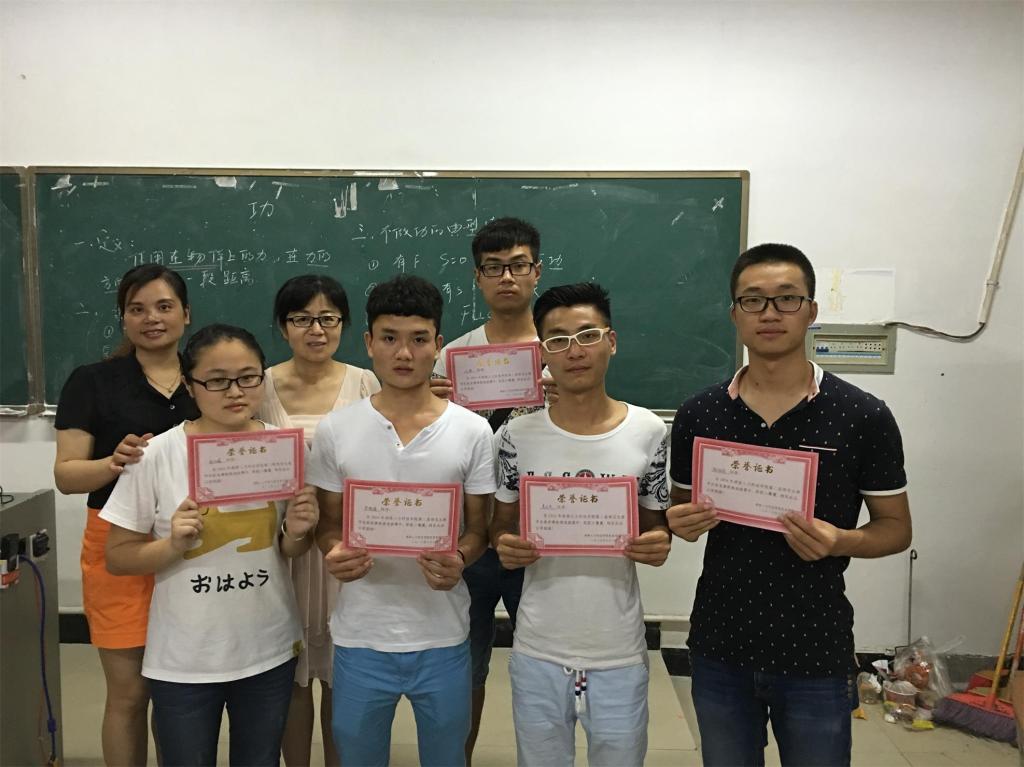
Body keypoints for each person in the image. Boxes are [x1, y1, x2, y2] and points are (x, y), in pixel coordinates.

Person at [666, 243, 912, 767]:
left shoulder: (862, 415)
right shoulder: (700, 413)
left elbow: (895, 529)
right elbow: (681, 508)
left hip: (815, 646)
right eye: (753, 300)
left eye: (787, 298)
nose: (770, 313)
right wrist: (680, 522)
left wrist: (842, 540)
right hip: (720, 642)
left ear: (812, 310)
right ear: (734, 314)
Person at [101, 324, 318, 767]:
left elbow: (287, 549)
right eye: (217, 380)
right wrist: (172, 545)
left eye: (248, 377)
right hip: (185, 657)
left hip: (267, 648)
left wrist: (298, 531)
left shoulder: (282, 449)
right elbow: (118, 556)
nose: (235, 392)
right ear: (189, 384)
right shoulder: (156, 455)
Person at [308, 274, 496, 767]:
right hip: (361, 635)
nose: (404, 353)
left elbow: (480, 529)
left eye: (418, 339)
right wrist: (333, 550)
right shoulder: (336, 429)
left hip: (443, 633)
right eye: (390, 338)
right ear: (369, 342)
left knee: (446, 757)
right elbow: (327, 524)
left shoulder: (472, 430)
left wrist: (460, 557)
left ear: (438, 344)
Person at [490, 282, 672, 767]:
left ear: (611, 341)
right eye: (558, 340)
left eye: (587, 335)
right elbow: (499, 525)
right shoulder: (515, 435)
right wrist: (506, 545)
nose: (574, 352)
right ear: (542, 353)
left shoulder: (649, 431)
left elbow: (656, 526)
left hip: (618, 647)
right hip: (538, 645)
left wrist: (658, 543)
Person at [53, 264, 199, 765]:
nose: (151, 318)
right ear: (124, 319)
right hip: (119, 543)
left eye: (164, 307)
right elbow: (66, 475)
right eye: (137, 309)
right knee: (130, 693)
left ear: (186, 314)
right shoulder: (92, 381)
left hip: (195, 541)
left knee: (179, 692)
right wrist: (112, 462)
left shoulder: (206, 377)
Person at [430, 216, 544, 762]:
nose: (507, 278)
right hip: (470, 535)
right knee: (465, 667)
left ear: (537, 271)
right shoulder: (451, 356)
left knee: (541, 667)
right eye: (494, 268)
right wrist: (433, 406)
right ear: (477, 277)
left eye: (518, 266)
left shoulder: (562, 350)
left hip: (537, 536)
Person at [258, 275, 380, 767]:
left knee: (340, 673)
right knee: (289, 673)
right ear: (282, 326)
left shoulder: (365, 383)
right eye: (302, 319)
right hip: (277, 547)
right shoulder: (259, 384)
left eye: (328, 318)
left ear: (344, 325)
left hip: (341, 546)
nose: (316, 330)